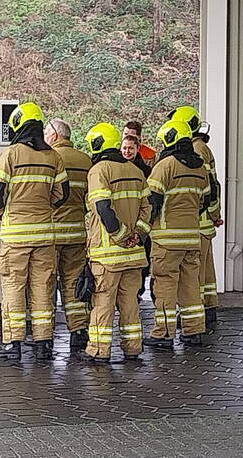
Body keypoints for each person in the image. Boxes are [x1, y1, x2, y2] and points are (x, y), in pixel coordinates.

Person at [0, 102, 68, 361]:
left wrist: (6, 211)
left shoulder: (10, 154)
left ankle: (13, 344)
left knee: (13, 288)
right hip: (45, 236)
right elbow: (62, 195)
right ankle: (44, 342)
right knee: (43, 288)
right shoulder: (54, 157)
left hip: (15, 236)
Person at [83, 123, 151, 363]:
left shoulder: (99, 171)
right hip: (134, 255)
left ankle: (99, 350)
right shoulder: (136, 171)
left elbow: (103, 208)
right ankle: (132, 347)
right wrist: (138, 236)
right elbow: (147, 209)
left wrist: (120, 235)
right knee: (130, 304)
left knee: (103, 303)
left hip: (107, 255)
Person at [145, 119, 209, 349]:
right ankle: (194, 331)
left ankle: (163, 333)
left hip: (166, 240)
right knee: (191, 284)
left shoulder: (165, 166)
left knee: (164, 284)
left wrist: (144, 226)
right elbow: (206, 199)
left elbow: (152, 201)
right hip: (191, 238)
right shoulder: (200, 167)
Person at [169, 106, 223, 328]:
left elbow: (206, 187)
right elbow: (214, 186)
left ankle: (195, 312)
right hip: (203, 221)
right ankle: (208, 306)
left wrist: (209, 212)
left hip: (196, 222)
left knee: (195, 274)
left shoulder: (196, 150)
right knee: (206, 270)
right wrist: (215, 213)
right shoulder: (202, 147)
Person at [44, 117, 93, 350]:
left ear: (54, 135)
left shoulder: (49, 158)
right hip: (76, 232)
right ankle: (79, 329)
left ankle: (44, 334)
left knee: (46, 283)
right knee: (74, 282)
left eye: (46, 132)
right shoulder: (86, 161)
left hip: (51, 233)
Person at [122, 132, 153, 300]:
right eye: (125, 148)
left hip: (140, 223)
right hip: (123, 222)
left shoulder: (146, 171)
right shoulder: (116, 168)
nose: (127, 152)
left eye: (131, 148)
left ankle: (138, 291)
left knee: (142, 260)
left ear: (137, 150)